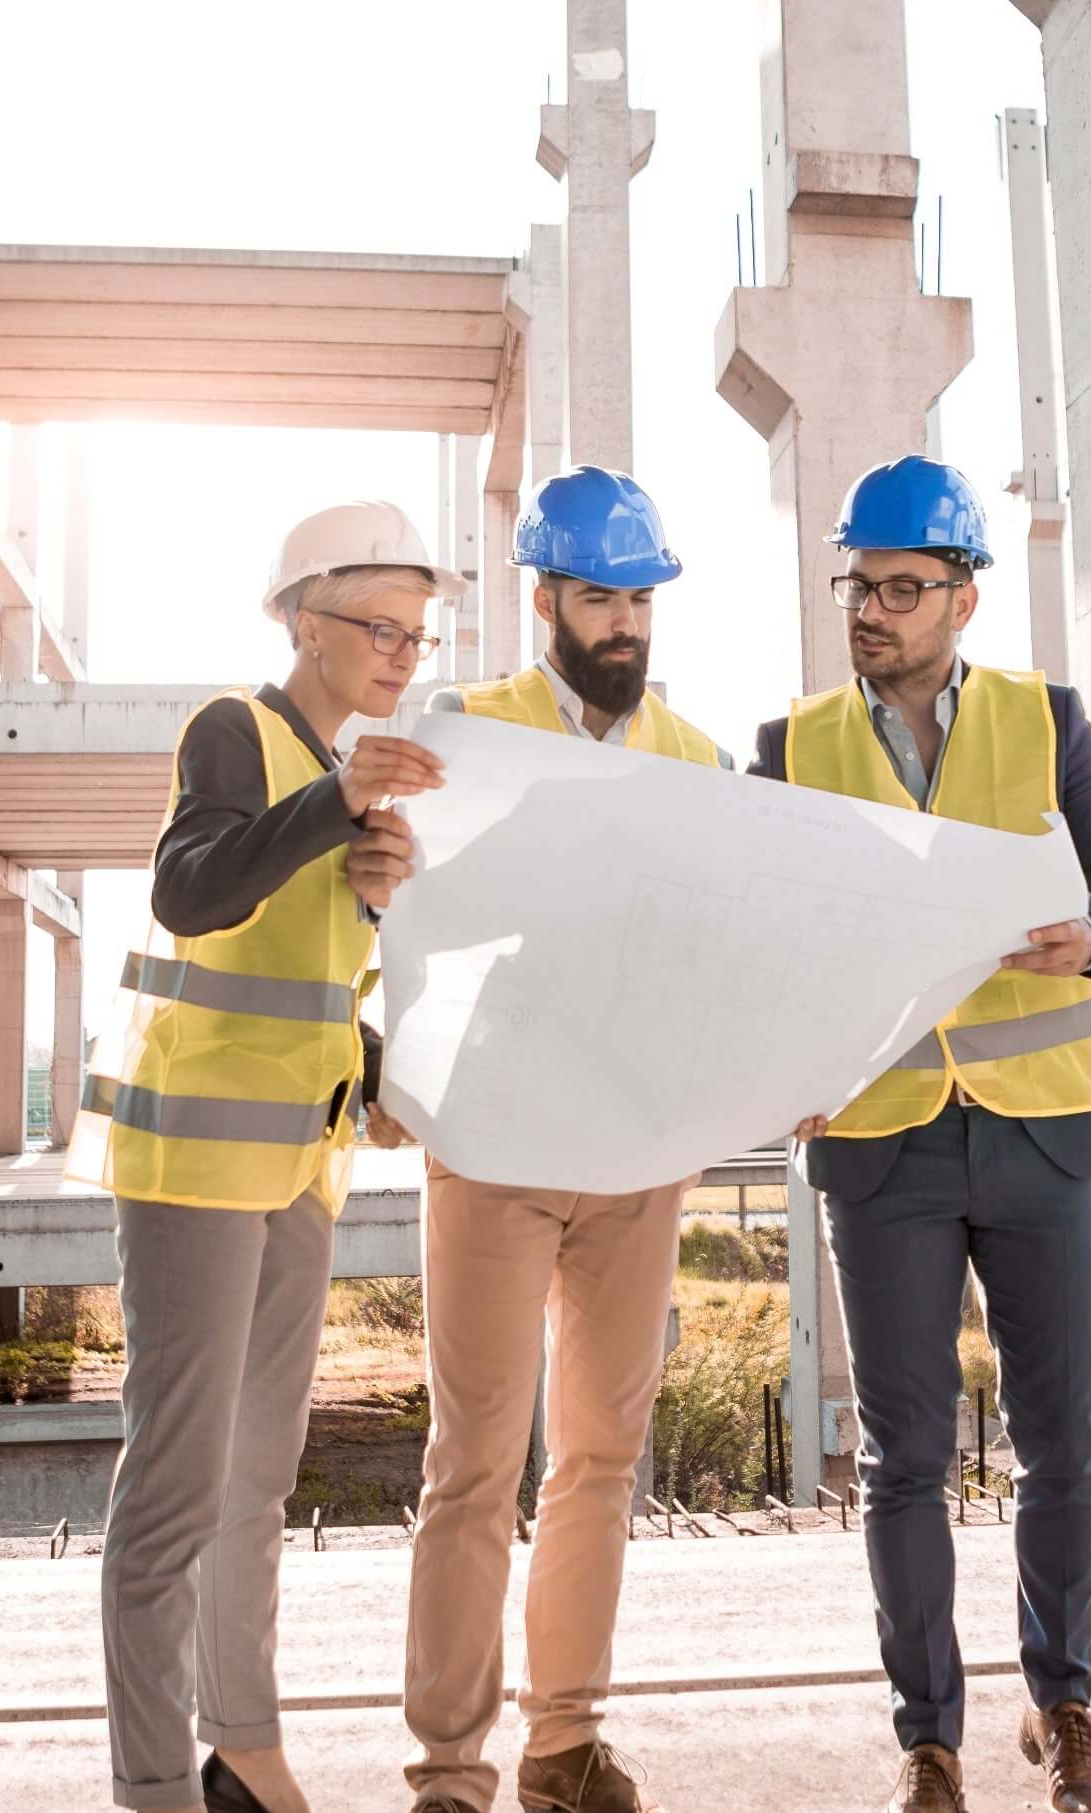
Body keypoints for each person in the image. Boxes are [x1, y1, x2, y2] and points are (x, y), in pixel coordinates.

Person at [748, 456, 1091, 1813]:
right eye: (854, 585)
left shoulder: (1044, 721)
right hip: (882, 1145)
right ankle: (927, 1740)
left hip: (1042, 1136)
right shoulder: (791, 745)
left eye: (897, 586)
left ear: (962, 598)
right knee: (904, 1459)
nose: (866, 609)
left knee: (1064, 1441)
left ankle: (1064, 1711)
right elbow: (756, 938)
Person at [69, 498, 452, 1813]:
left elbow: (313, 977)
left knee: (256, 1474)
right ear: (302, 616)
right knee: (175, 1482)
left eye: (417, 631)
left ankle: (242, 1741)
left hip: (298, 1162)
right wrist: (334, 809)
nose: (401, 651)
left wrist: (375, 899)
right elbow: (190, 887)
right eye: (376, 625)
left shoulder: (352, 772)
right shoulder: (234, 726)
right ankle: (151, 1782)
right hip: (191, 1160)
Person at [388, 467, 733, 1813]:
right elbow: (399, 910)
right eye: (598, 595)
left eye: (640, 598)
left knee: (597, 1458)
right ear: (544, 599)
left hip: (638, 1150)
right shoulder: (464, 730)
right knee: (472, 1460)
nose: (624, 624)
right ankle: (449, 1767)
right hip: (492, 1138)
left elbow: (724, 950)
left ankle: (562, 1740)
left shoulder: (699, 761)